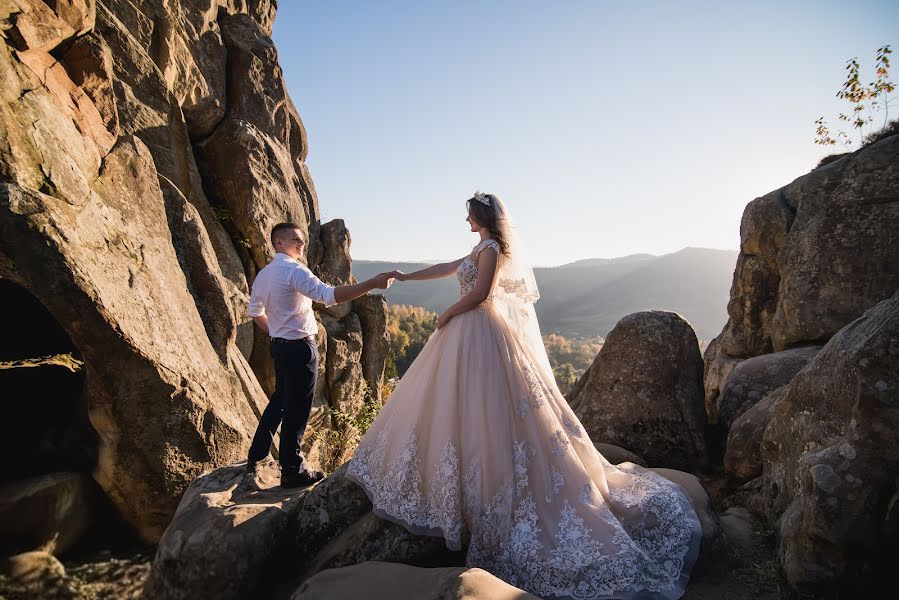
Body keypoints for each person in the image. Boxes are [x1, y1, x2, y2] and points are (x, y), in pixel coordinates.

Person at [345, 193, 703, 599]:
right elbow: (450, 267)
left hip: (479, 330)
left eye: (469, 214)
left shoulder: (494, 249)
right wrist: (406, 276)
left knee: (490, 406)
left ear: (481, 217)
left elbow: (481, 294)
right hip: (467, 334)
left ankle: (491, 491)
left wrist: (447, 314)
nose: (465, 219)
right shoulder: (481, 246)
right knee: (458, 404)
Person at [247, 222, 393, 488]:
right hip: (300, 348)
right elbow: (329, 295)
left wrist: (275, 331)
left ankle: (256, 455)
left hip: (280, 346)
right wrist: (372, 282)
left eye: (302, 240)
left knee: (280, 399)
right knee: (298, 408)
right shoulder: (294, 271)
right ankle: (292, 470)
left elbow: (255, 310)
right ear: (278, 243)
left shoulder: (264, 274)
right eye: (295, 240)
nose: (302, 244)